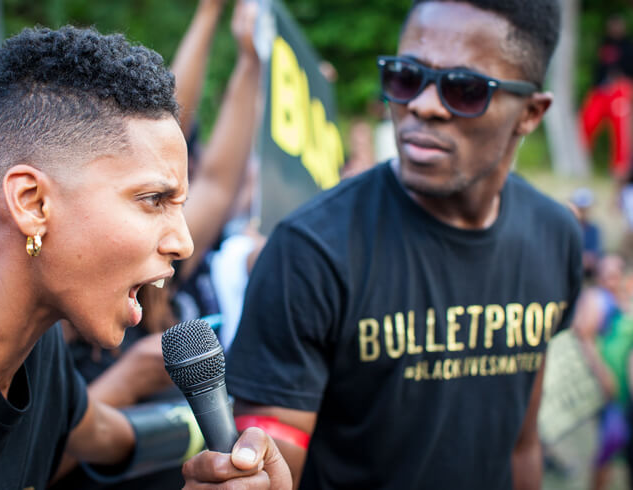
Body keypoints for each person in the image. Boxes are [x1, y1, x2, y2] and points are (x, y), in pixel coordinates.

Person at [0, 25, 289, 489]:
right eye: (152, 199)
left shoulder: (38, 358)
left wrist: (229, 463)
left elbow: (111, 435)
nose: (183, 243)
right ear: (32, 202)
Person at [226, 0, 582, 488]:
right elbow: (274, 453)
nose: (423, 104)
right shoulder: (312, 250)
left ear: (531, 113)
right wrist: (251, 468)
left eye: (464, 88)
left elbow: (520, 442)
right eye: (405, 76)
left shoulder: (554, 235)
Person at [573, 255, 633, 490]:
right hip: (609, 384)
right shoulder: (597, 299)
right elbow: (584, 337)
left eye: (616, 274)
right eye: (606, 274)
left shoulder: (624, 299)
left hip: (626, 384)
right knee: (609, 444)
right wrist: (603, 374)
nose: (611, 279)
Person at [579, 15, 633, 180]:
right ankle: (580, 161)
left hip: (621, 89)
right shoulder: (604, 44)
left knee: (621, 127)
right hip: (601, 90)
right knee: (587, 120)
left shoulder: (628, 46)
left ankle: (619, 170)